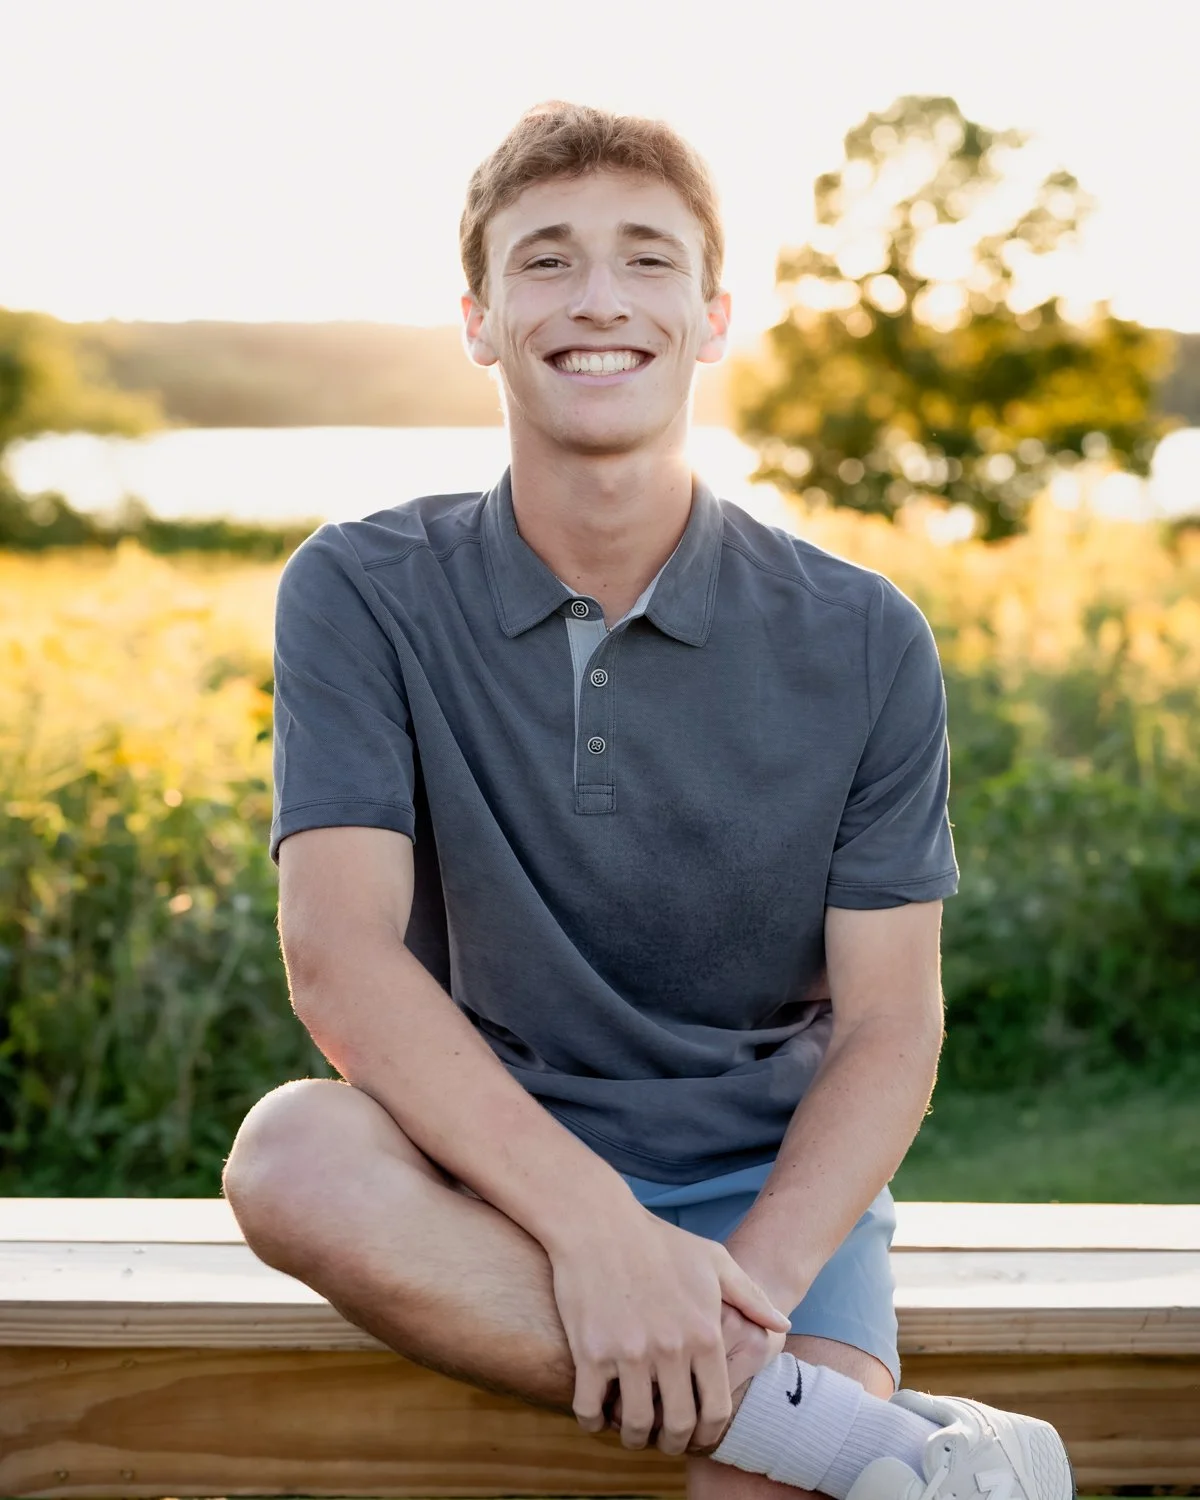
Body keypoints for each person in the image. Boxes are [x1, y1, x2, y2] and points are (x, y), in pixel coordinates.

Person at [222, 101, 1074, 1500]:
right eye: (546, 261)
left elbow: (888, 1021)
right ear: (480, 318)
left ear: (716, 315)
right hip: (480, 1171)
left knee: (751, 1486)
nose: (598, 299)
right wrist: (597, 1236)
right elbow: (339, 956)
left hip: (766, 1186)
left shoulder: (863, 636)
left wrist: (751, 1283)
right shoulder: (359, 589)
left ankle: (820, 1434)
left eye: (647, 260)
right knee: (289, 1152)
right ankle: (906, 1459)